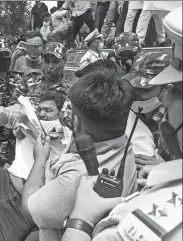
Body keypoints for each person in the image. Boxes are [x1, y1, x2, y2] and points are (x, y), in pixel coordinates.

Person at [77, 7, 182, 241]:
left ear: (167, 90)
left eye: (145, 91)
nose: (137, 98)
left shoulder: (171, 125)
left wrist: (170, 168)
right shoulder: (135, 120)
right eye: (134, 91)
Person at [21, 71, 138, 241]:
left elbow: (29, 211)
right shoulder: (123, 141)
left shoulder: (77, 177)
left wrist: (40, 159)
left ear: (75, 121)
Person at [123, 52, 176, 163]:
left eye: (143, 89)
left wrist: (166, 168)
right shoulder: (125, 112)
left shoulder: (177, 119)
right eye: (132, 86)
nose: (135, 94)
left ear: (167, 90)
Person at [12, 42, 69, 109]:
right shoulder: (30, 77)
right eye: (47, 61)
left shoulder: (68, 90)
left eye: (56, 62)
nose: (50, 66)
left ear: (65, 61)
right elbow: (13, 103)